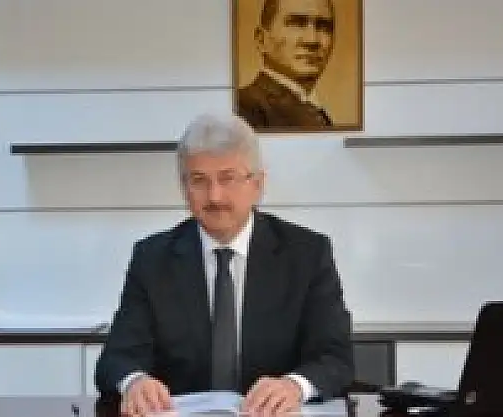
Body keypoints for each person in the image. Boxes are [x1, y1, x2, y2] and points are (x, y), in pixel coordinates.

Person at [94, 113, 354, 416]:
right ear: (184, 188)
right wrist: (134, 382)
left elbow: (335, 358)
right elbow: (116, 359)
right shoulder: (152, 259)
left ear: (257, 184)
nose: (214, 196)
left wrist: (294, 386)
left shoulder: (307, 254)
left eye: (227, 178)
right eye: (199, 181)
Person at [237, 0, 335, 129]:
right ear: (262, 40)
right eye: (296, 24)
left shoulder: (316, 112)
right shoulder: (242, 108)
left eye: (324, 26)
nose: (312, 40)